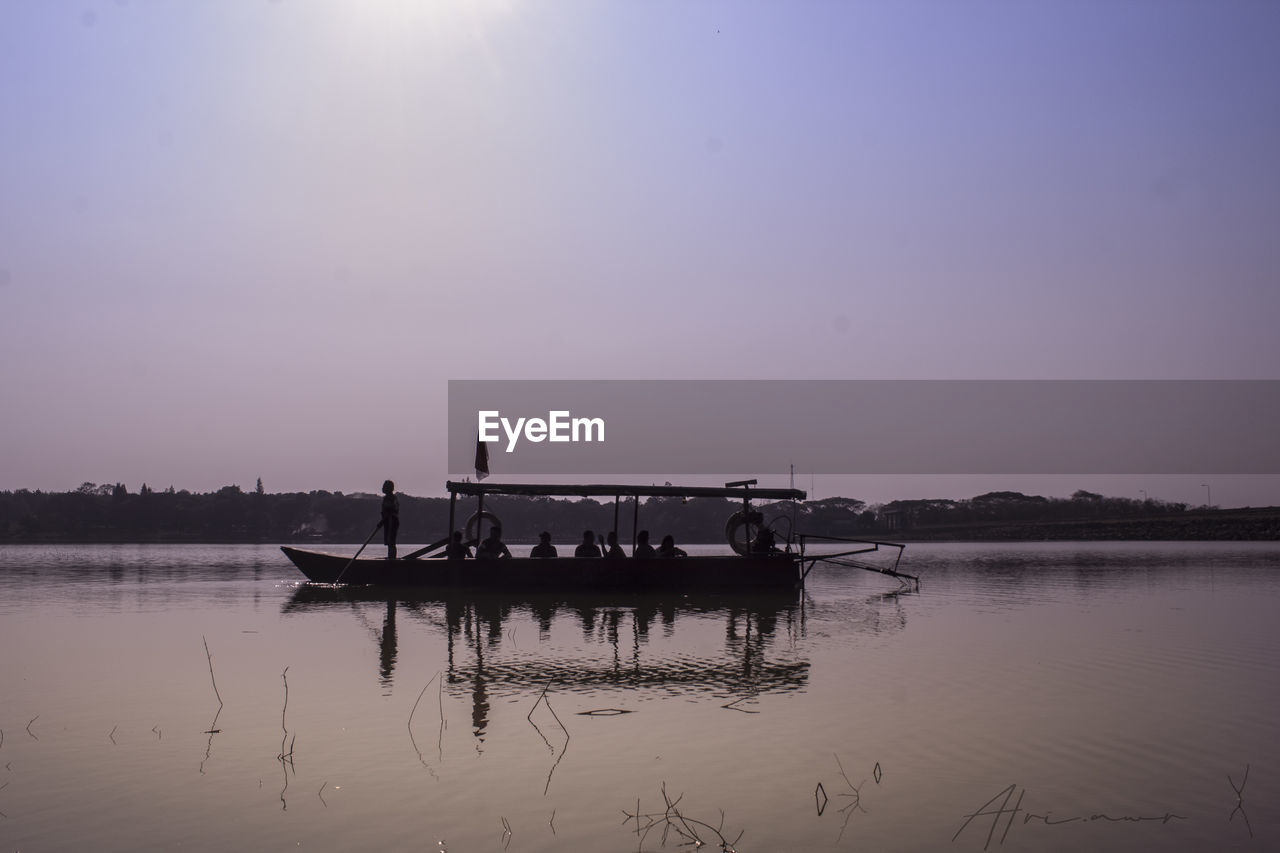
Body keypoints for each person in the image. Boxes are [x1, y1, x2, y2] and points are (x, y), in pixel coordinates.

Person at [377, 479, 400, 560]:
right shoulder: (390, 497)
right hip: (389, 521)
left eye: (384, 486)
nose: (382, 488)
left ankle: (392, 558)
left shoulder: (389, 498)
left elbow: (389, 512)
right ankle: (391, 556)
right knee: (389, 541)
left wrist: (381, 522)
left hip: (391, 521)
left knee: (391, 541)